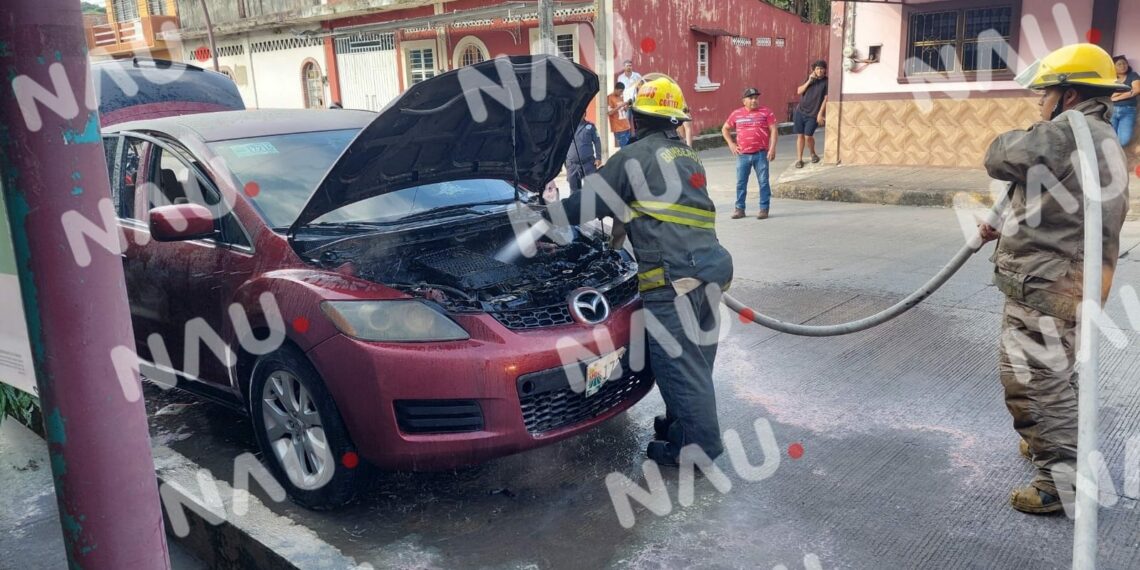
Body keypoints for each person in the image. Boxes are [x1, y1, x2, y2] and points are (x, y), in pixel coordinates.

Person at [977, 43, 1130, 515]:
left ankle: (1058, 480)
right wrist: (1008, 220)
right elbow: (1062, 201)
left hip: (1049, 283)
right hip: (1075, 279)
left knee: (1034, 379)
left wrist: (1039, 129)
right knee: (1056, 373)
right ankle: (1050, 441)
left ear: (1067, 95)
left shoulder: (1066, 133)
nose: (1039, 103)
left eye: (1044, 94)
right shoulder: (1102, 136)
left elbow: (1000, 155)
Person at [551, 74, 733, 467]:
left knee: (680, 368)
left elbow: (584, 205)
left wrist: (540, 220)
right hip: (711, 269)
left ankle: (699, 453)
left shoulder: (635, 157)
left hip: (674, 277)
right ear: (674, 120)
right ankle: (681, 432)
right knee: (696, 364)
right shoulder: (687, 155)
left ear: (635, 118)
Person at [722, 87, 778, 219]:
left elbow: (774, 130)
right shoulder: (736, 114)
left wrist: (772, 148)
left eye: (756, 98)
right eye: (751, 98)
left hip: (760, 154)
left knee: (763, 182)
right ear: (744, 101)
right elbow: (725, 129)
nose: (754, 100)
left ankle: (764, 208)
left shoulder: (766, 112)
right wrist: (731, 144)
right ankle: (739, 209)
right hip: (743, 155)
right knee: (741, 183)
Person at [793, 60, 828, 168]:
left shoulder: (826, 82)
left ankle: (813, 153)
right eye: (817, 68)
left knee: (808, 136)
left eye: (821, 68)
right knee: (800, 136)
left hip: (813, 114)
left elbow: (826, 99)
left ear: (825, 70)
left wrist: (820, 114)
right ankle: (799, 159)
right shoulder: (810, 79)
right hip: (800, 111)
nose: (819, 70)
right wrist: (809, 80)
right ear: (814, 70)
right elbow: (799, 91)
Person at [564, 118, 603, 193]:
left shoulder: (590, 126)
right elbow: (562, 144)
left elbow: (597, 142)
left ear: (584, 113)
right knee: (574, 190)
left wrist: (598, 158)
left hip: (588, 163)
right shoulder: (568, 127)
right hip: (572, 164)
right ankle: (576, 204)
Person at [1110, 55, 1140, 145]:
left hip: (1128, 110)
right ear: (1113, 66)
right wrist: (1126, 92)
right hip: (1111, 110)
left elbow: (1137, 90)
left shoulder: (1133, 75)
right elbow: (1108, 94)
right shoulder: (1111, 78)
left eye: (1124, 63)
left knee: (1124, 140)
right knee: (1109, 137)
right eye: (1119, 64)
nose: (1123, 66)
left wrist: (1117, 97)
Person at [607, 82, 632, 148]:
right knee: (624, 149)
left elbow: (625, 110)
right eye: (620, 91)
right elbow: (609, 113)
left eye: (622, 91)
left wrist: (627, 105)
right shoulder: (609, 98)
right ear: (615, 89)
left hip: (626, 126)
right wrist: (621, 105)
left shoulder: (621, 97)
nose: (621, 93)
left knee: (628, 147)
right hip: (618, 128)